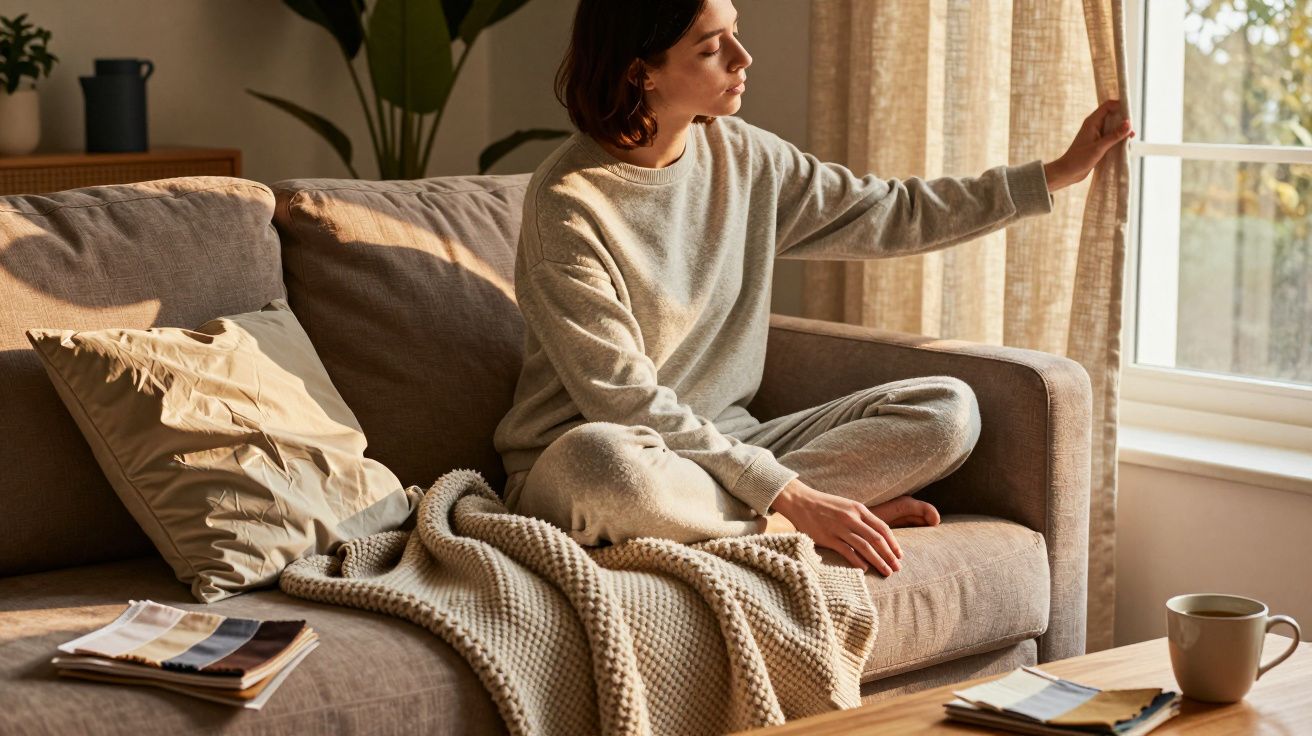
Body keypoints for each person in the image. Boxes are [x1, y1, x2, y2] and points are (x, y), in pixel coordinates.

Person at [492, 0, 1135, 577]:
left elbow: (892, 211)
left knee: (948, 411)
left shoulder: (747, 159)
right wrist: (790, 498)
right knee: (608, 471)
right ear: (642, 73)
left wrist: (1053, 176)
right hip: (601, 451)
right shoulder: (568, 206)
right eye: (713, 48)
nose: (744, 58)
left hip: (732, 447)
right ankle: (785, 525)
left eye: (735, 32)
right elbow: (624, 402)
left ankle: (736, 521)